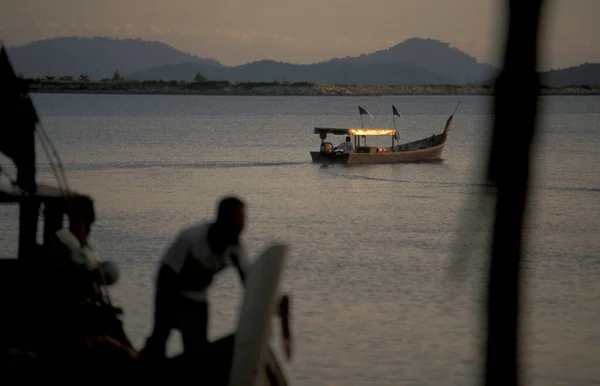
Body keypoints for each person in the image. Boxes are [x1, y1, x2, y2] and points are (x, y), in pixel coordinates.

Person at [139, 196, 289, 362]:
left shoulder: (236, 248)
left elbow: (249, 283)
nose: (243, 225)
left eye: (244, 219)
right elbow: (166, 275)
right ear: (224, 219)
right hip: (168, 292)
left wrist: (274, 304)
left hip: (198, 298)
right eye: (239, 219)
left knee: (197, 351)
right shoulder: (191, 239)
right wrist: (175, 309)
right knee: (159, 340)